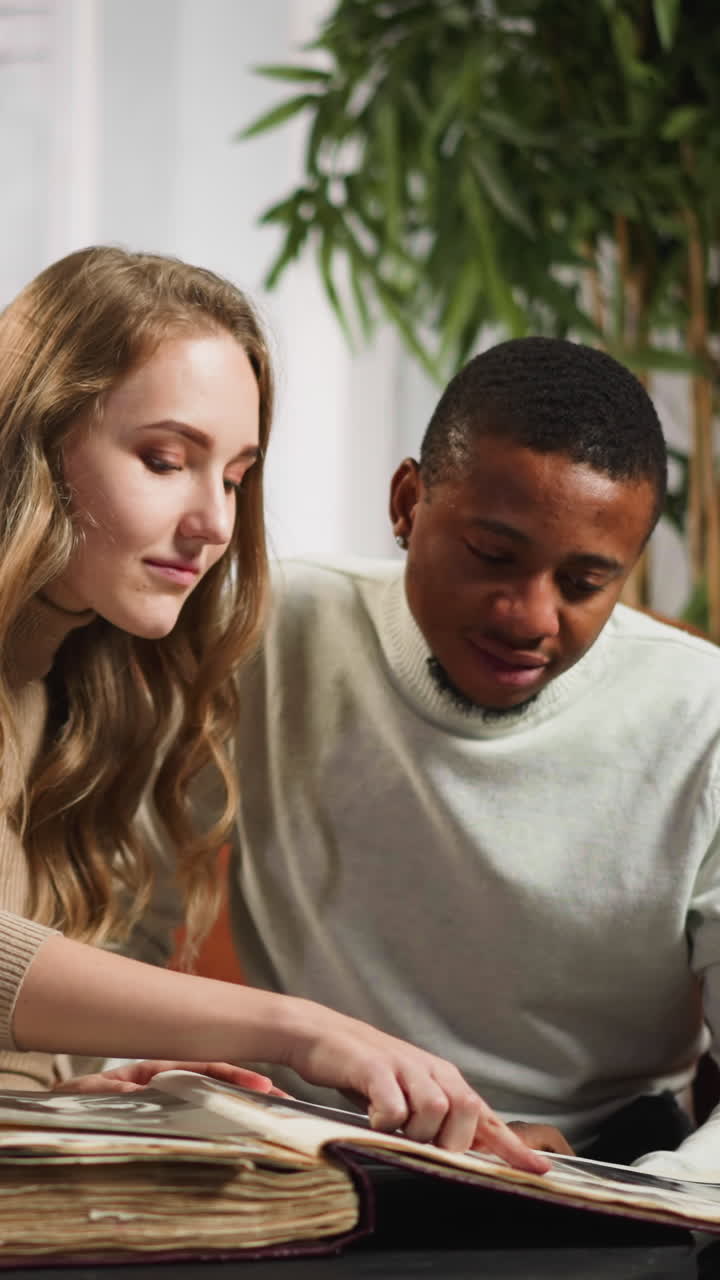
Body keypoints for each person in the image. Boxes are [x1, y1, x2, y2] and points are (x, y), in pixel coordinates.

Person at [0, 246, 548, 1170]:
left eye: (235, 474)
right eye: (165, 459)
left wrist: (70, 1088)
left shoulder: (78, 682)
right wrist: (296, 1031)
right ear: (31, 441)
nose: (214, 521)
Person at [198, 336, 720, 1176]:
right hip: (302, 1148)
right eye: (493, 556)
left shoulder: (704, 719)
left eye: (585, 583)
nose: (529, 615)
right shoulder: (269, 630)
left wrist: (605, 1187)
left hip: (604, 1165)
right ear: (407, 502)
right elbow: (120, 915)